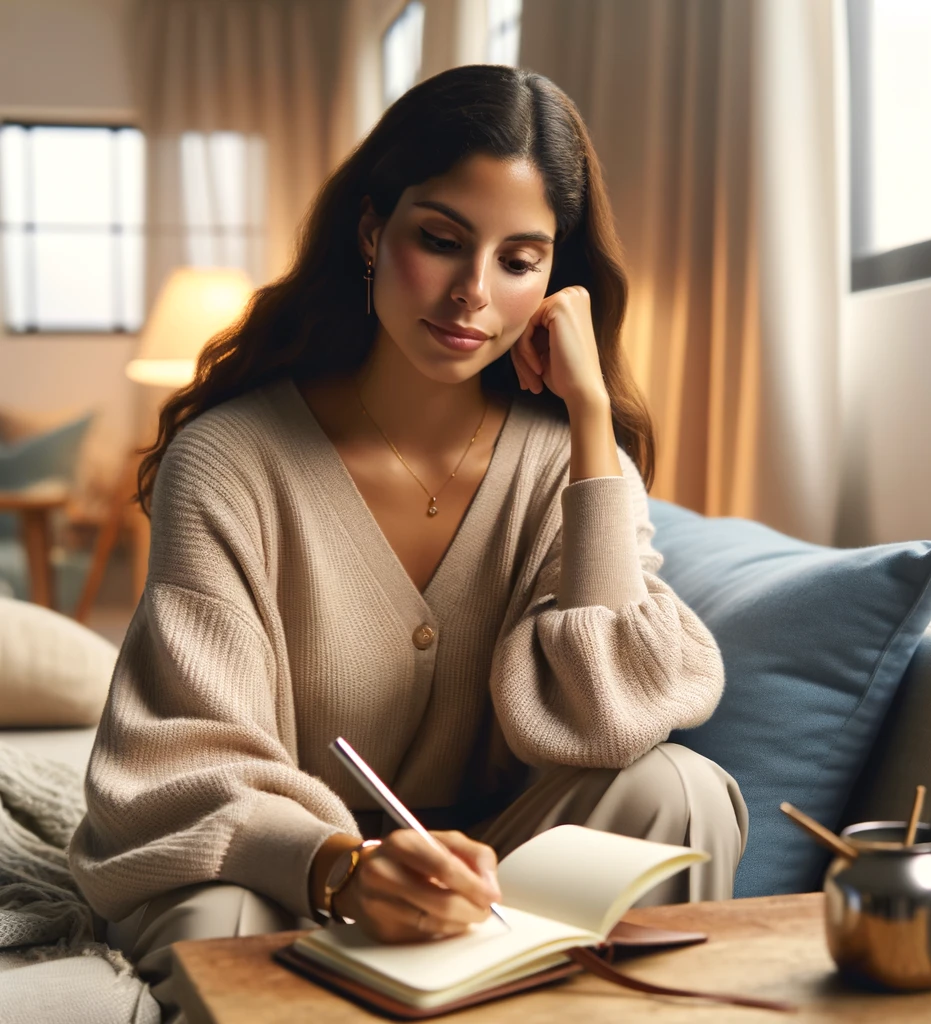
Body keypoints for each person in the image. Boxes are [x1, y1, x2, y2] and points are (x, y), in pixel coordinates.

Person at [69, 64, 747, 1021]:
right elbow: (186, 760)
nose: (473, 293)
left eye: (519, 261)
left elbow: (610, 724)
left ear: (556, 282)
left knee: (679, 788)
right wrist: (342, 868)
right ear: (371, 231)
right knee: (223, 919)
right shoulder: (230, 460)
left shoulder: (570, 464)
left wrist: (591, 420)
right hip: (297, 875)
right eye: (441, 241)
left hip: (493, 873)